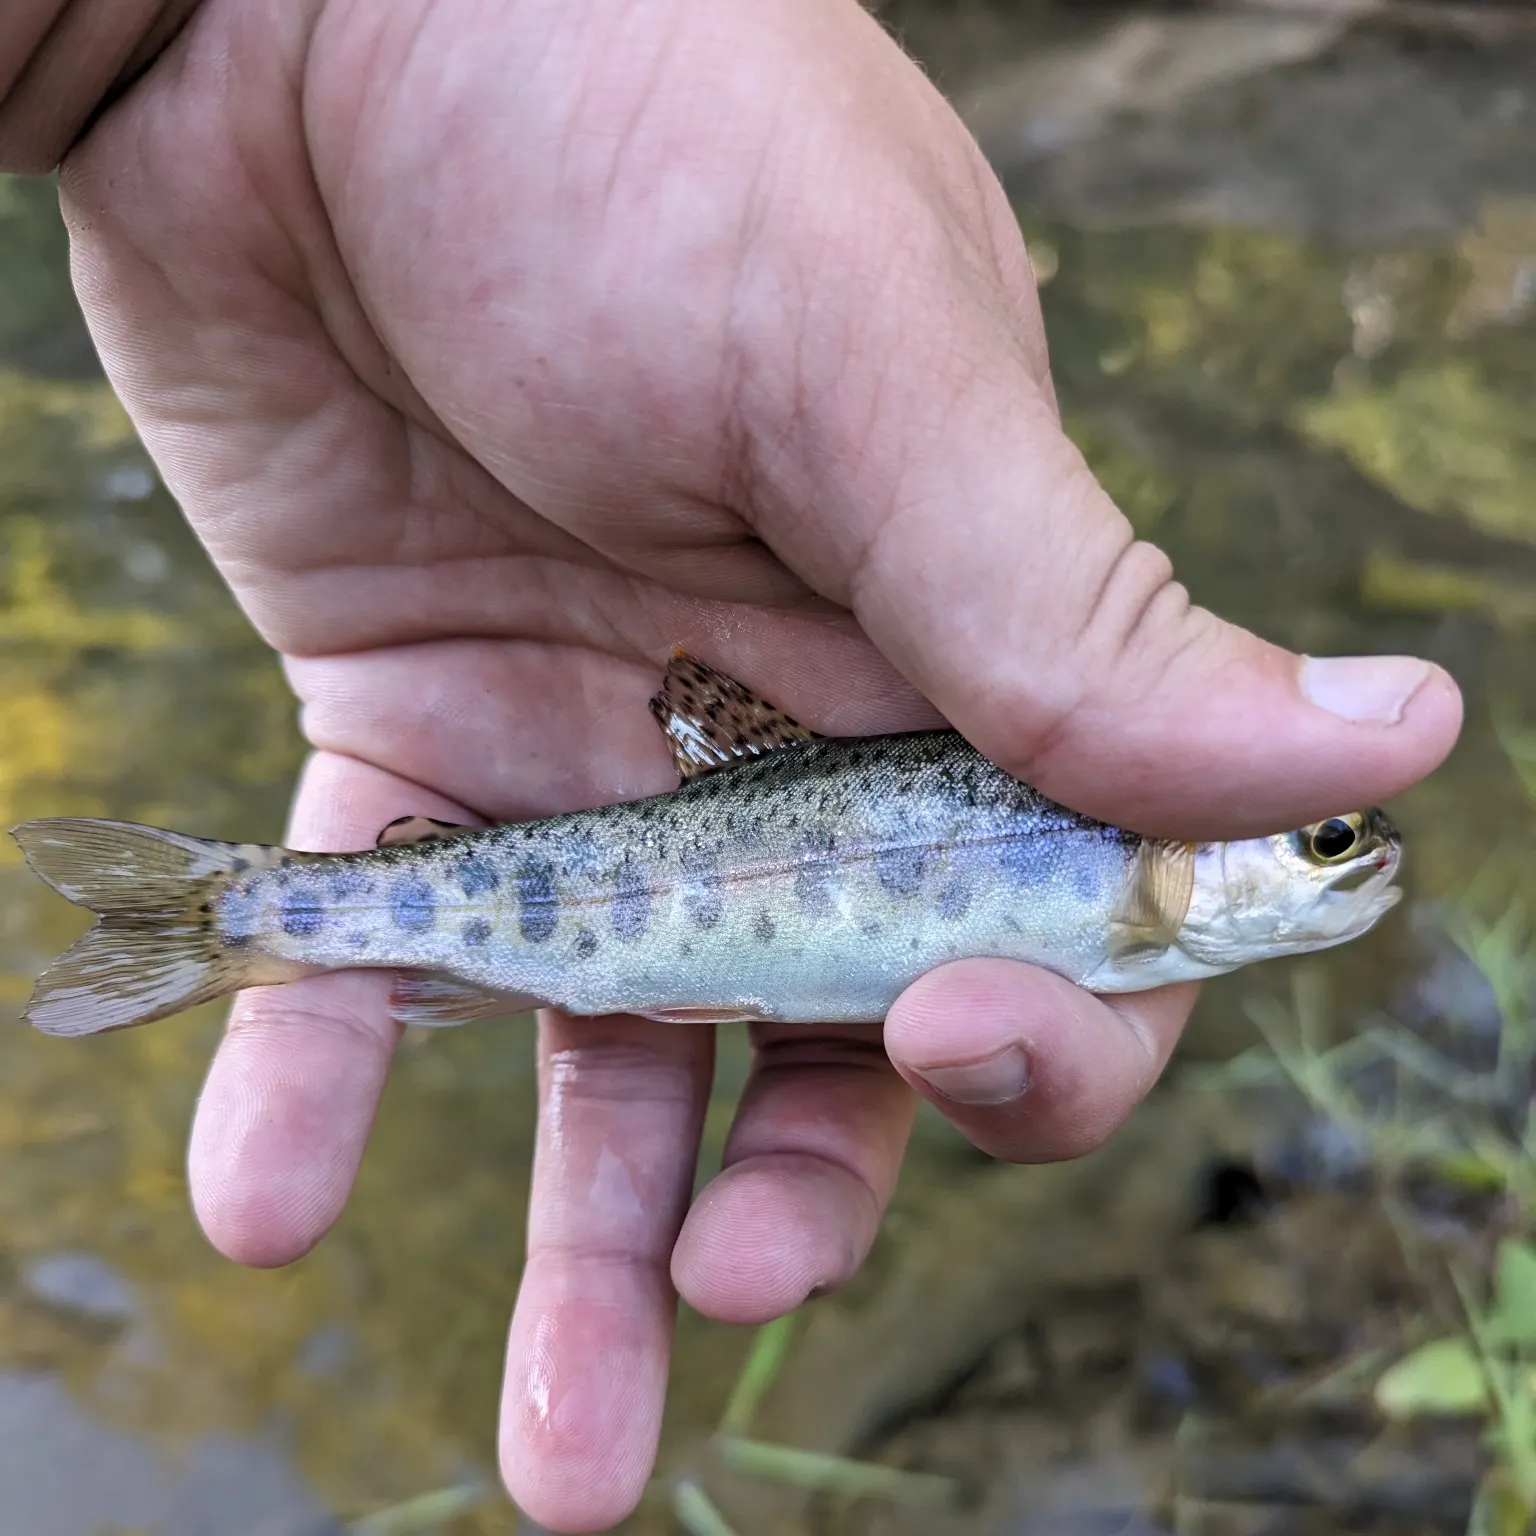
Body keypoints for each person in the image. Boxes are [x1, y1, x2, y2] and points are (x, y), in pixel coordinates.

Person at [0, 1, 1460, 1530]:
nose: (1352, 855)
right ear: (1199, 841)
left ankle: (250, 915)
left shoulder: (1131, 875)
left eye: (1331, 840)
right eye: (1324, 840)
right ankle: (243, 916)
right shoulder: (1123, 878)